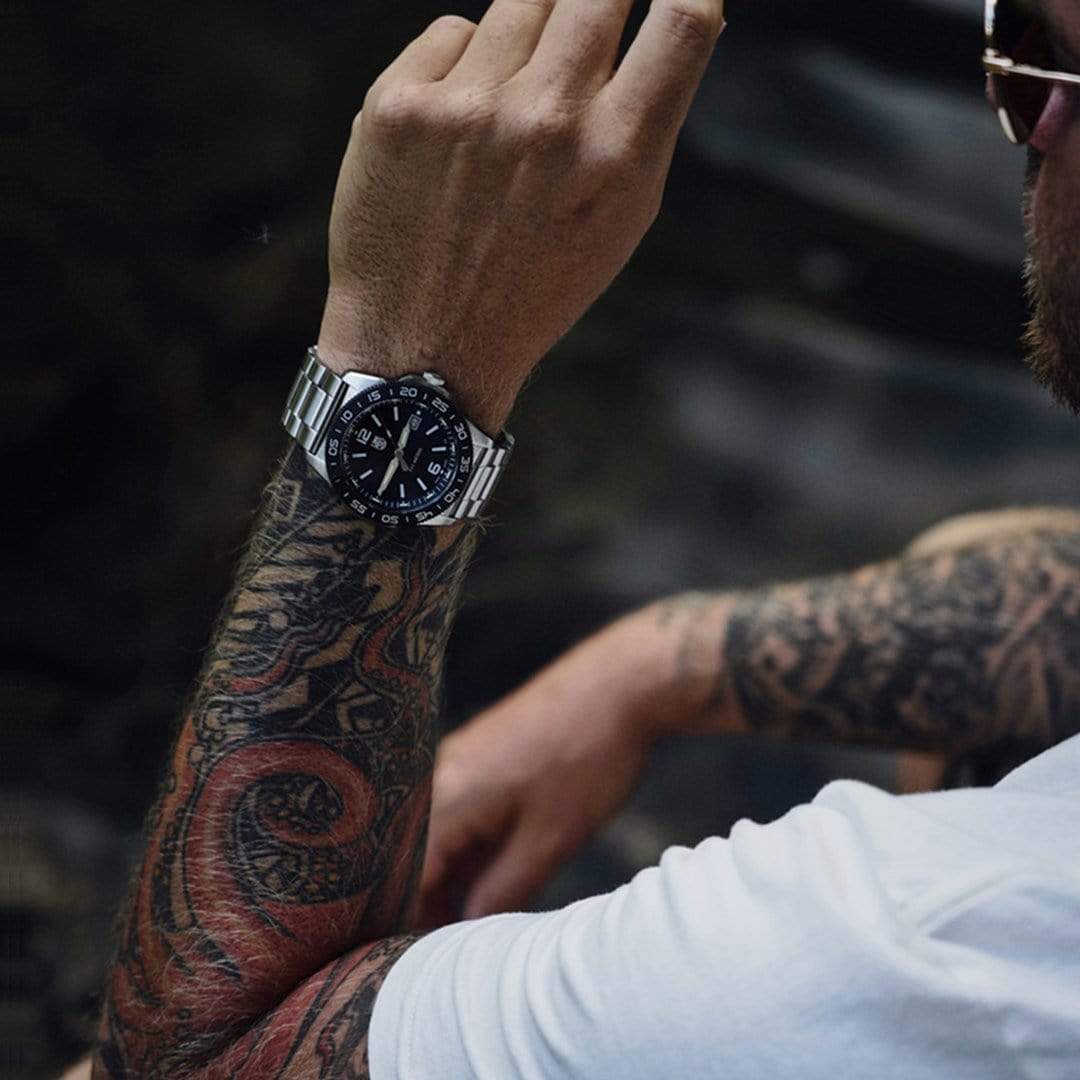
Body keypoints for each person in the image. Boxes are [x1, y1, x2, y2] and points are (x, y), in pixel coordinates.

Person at [87, 0, 1080, 1076]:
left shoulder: (919, 943)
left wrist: (406, 364)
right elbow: (1050, 601)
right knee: (974, 586)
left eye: (1039, 63)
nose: (1019, 126)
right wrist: (642, 674)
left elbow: (190, 1060)